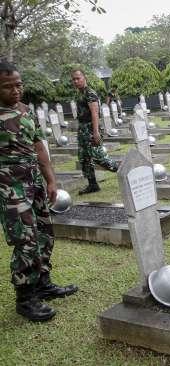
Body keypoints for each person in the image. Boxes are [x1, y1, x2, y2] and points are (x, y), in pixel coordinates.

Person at [0, 61, 78, 322]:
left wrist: (51, 181)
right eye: (8, 86)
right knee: (25, 240)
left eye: (18, 85)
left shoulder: (25, 110)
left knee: (44, 233)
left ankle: (43, 283)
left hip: (33, 182)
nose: (15, 90)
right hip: (9, 186)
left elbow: (39, 147)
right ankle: (25, 297)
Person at [71, 69, 118, 194]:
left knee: (99, 157)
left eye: (78, 78)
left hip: (91, 129)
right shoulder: (79, 94)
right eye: (74, 79)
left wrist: (96, 132)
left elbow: (95, 113)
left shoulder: (90, 93)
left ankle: (125, 170)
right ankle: (93, 185)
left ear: (84, 78)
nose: (76, 81)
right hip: (83, 130)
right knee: (84, 158)